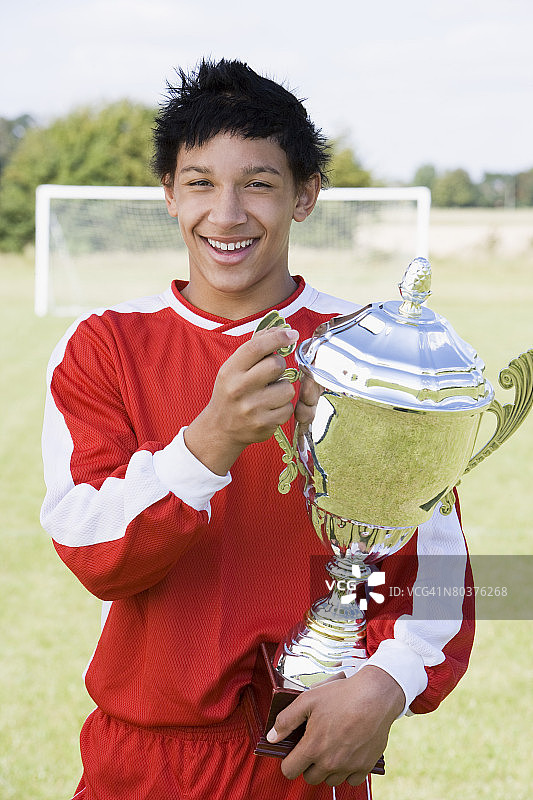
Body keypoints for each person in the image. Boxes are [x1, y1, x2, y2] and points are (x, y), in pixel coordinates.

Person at [40, 59, 474, 800]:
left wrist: (386, 684)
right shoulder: (102, 344)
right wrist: (207, 443)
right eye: (202, 182)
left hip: (303, 760)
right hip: (141, 761)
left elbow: (454, 577)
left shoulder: (368, 352)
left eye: (260, 183)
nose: (229, 213)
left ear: (304, 196)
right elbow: (90, 552)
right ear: (169, 196)